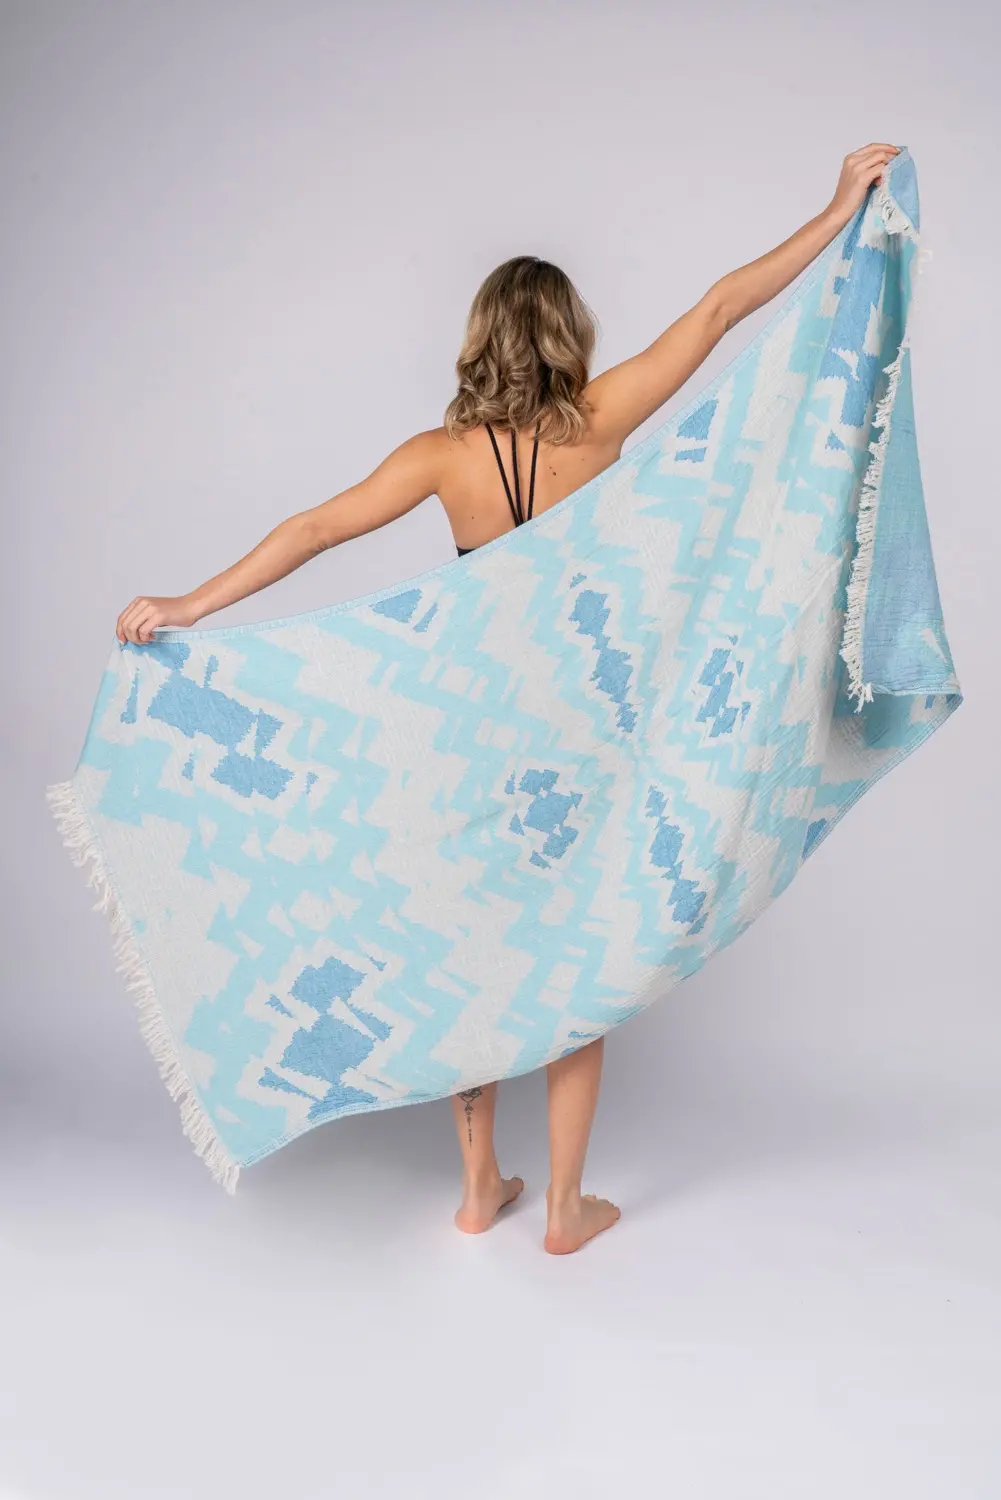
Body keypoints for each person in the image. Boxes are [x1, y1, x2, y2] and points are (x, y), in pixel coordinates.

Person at [116, 142, 900, 1253]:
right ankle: (566, 1207)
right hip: (580, 741)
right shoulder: (601, 420)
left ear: (479, 338)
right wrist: (833, 213)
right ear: (566, 335)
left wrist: (192, 603)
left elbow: (315, 528)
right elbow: (723, 308)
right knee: (578, 960)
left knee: (474, 951)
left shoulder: (440, 457)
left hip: (466, 745)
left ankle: (480, 1187)